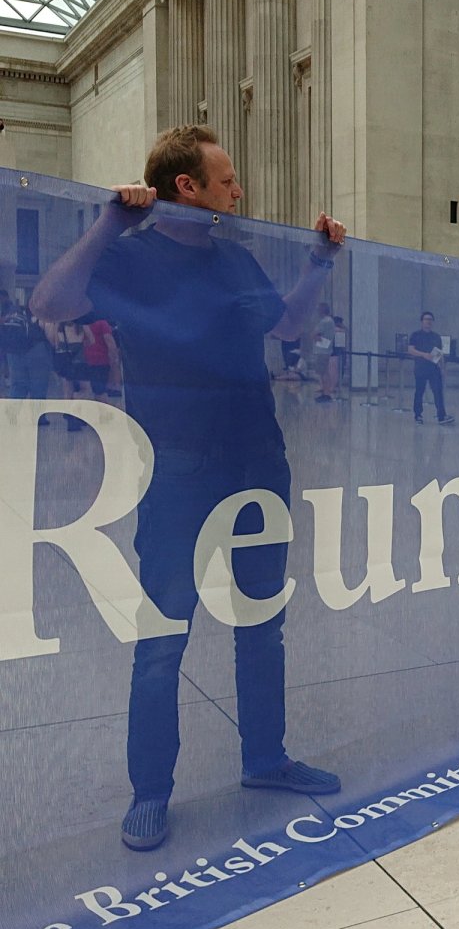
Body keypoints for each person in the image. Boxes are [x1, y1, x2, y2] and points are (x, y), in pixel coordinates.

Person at [30, 124, 347, 851]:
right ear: (188, 187)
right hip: (176, 464)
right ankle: (151, 792)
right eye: (227, 178)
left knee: (261, 618)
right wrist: (110, 221)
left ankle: (265, 758)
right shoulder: (130, 259)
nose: (239, 190)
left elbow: (290, 328)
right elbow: (51, 302)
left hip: (256, 458)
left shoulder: (237, 260)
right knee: (164, 633)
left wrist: (320, 263)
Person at [1, 301, 53, 401]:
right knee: (38, 387)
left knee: (17, 386)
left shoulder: (14, 315)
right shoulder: (42, 315)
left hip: (13, 352)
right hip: (37, 351)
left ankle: (12, 415)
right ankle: (37, 416)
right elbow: (49, 335)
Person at [408, 311, 454, 424]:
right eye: (426, 319)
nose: (428, 321)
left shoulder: (436, 337)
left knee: (438, 391)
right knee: (419, 391)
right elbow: (411, 350)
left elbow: (439, 354)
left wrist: (442, 368)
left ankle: (441, 416)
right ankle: (418, 415)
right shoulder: (415, 335)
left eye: (430, 319)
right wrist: (424, 355)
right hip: (420, 368)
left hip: (434, 369)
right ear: (422, 321)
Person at [313, 302, 337, 403]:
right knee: (324, 372)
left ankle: (326, 393)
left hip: (322, 350)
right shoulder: (330, 321)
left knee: (323, 373)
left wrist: (314, 336)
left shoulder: (325, 322)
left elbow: (314, 334)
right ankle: (326, 392)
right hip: (325, 349)